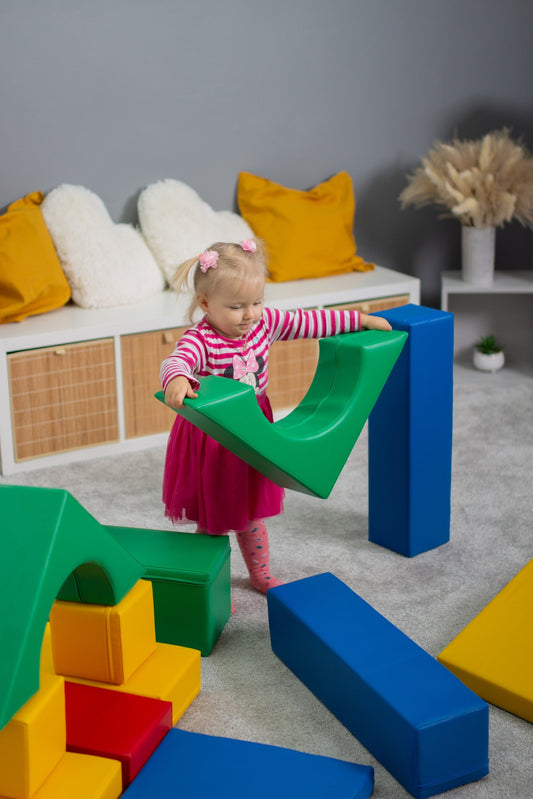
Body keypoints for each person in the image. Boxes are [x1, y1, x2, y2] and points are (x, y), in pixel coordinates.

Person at [160, 239, 392, 597]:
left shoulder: (264, 323)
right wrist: (177, 378)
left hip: (254, 431)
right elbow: (177, 360)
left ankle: (261, 573)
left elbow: (310, 321)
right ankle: (210, 590)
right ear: (205, 303)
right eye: (236, 307)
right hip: (215, 438)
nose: (249, 314)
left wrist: (359, 319)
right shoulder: (201, 339)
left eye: (257, 302)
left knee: (251, 510)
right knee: (214, 520)